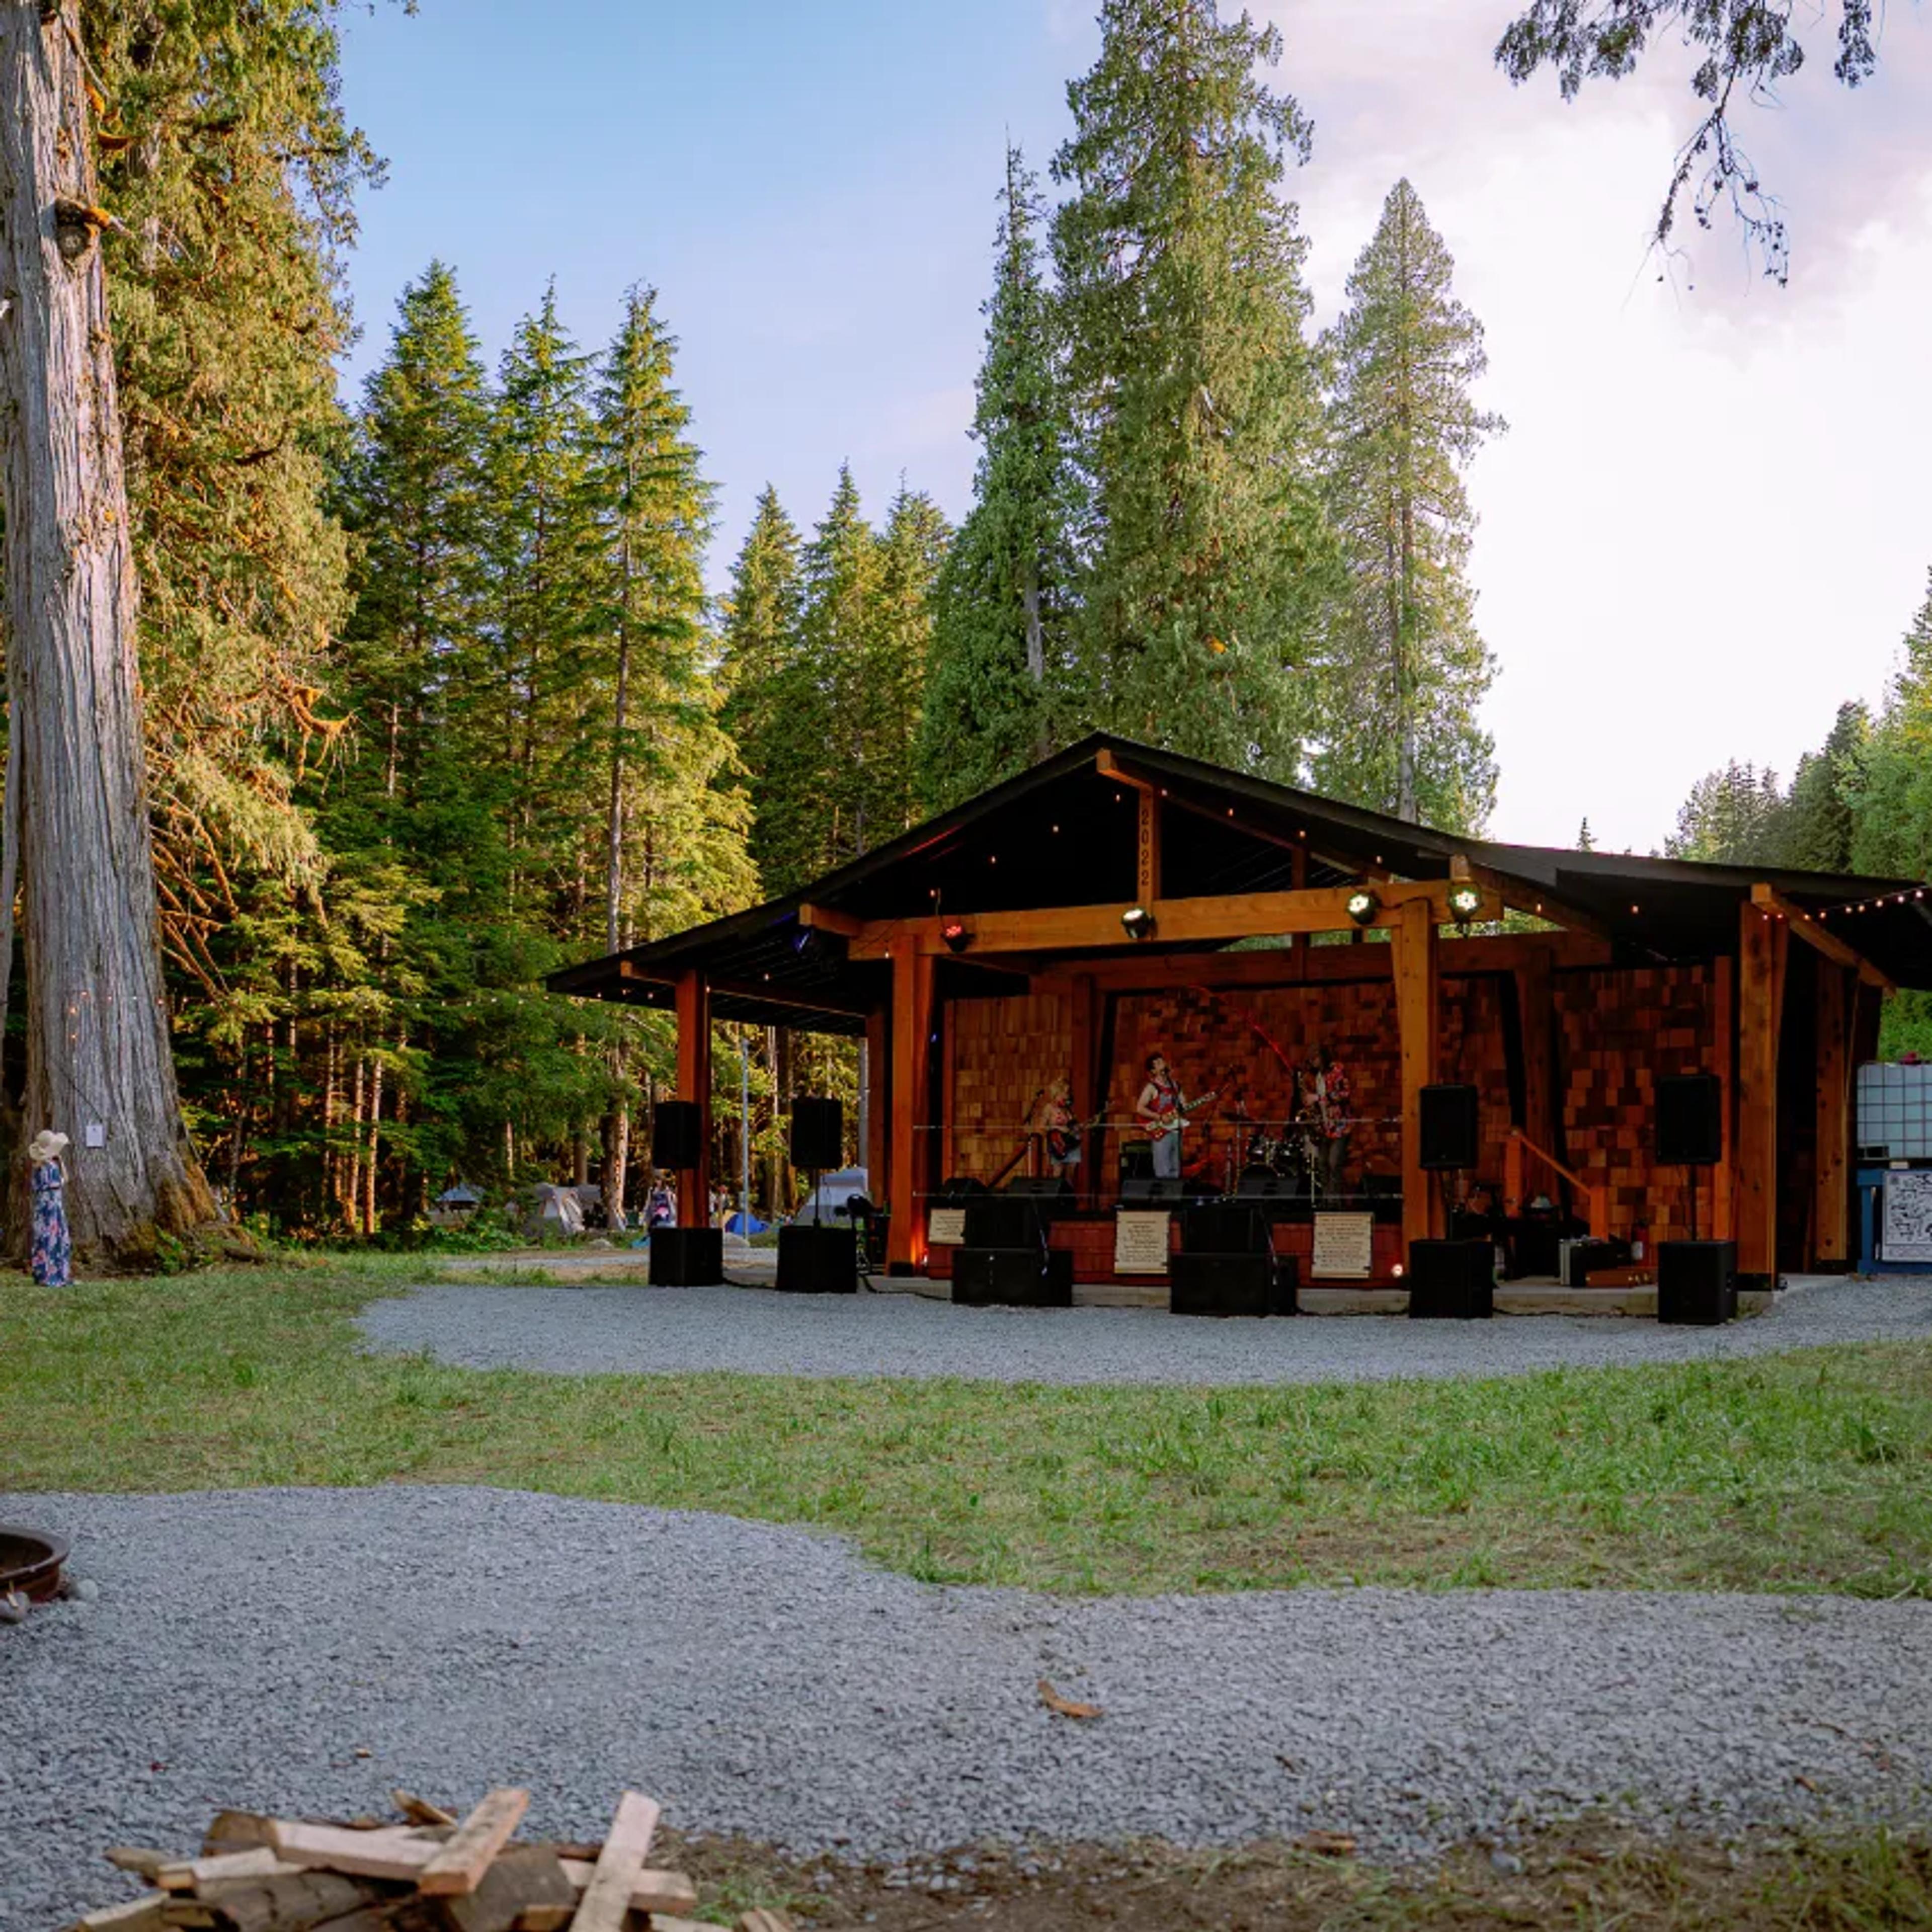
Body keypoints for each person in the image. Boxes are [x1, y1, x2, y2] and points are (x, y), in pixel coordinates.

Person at [1303, 1045, 1352, 1200]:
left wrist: (1318, 1098)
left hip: (1341, 1126)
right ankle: (1327, 1198)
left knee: (1334, 1162)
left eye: (1315, 1058)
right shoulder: (1319, 1076)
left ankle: (1335, 1201)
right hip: (1325, 1127)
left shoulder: (1337, 1069)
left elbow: (1345, 1093)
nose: (1313, 1062)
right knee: (1322, 1164)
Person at [28, 1129, 71, 1287]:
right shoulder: (44, 1167)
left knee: (51, 1238)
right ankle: (49, 1275)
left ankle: (51, 1274)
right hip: (49, 1207)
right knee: (49, 1238)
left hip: (50, 1207)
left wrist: (60, 1161)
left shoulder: (48, 1165)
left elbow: (64, 1180)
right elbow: (59, 1182)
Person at [1136, 1052, 1188, 1180]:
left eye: (1162, 1061)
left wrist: (1185, 1108)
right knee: (1163, 1171)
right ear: (1153, 1071)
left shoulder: (1175, 1086)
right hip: (1161, 1131)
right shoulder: (1151, 1088)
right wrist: (1159, 1117)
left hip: (1176, 1131)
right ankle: (1165, 1199)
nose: (1162, 1064)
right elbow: (1140, 1108)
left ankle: (1174, 1197)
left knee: (1176, 1169)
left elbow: (1184, 1104)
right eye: (1158, 1063)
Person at [1030, 1077, 1082, 1178]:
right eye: (1065, 1094)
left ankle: (1069, 1193)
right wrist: (1055, 1129)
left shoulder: (1068, 1109)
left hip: (1071, 1143)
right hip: (1058, 1144)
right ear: (1057, 1094)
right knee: (1057, 1173)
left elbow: (1074, 1126)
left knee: (1070, 1176)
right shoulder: (1049, 1108)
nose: (1068, 1096)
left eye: (1068, 1094)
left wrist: (1078, 1128)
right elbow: (1041, 1127)